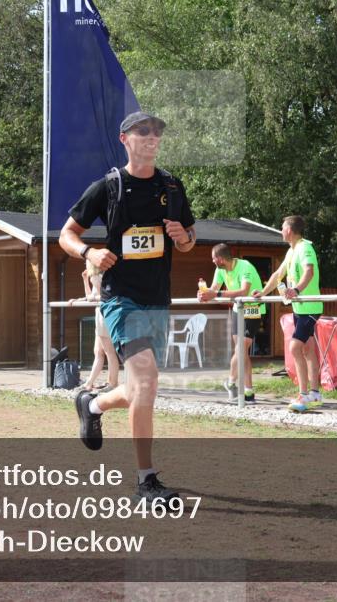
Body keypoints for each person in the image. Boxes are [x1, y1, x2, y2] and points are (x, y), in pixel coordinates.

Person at [60, 111, 196, 502]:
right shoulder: (109, 186)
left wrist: (182, 236)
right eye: (143, 131)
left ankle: (93, 404)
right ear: (125, 139)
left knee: (138, 387)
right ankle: (146, 479)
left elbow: (189, 238)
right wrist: (90, 252)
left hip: (158, 298)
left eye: (157, 133)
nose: (152, 137)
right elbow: (68, 234)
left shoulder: (171, 185)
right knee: (148, 380)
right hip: (122, 297)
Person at [252, 215, 324, 412]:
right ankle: (315, 392)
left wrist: (297, 290)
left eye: (282, 227)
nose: (281, 230)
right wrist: (262, 293)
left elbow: (309, 272)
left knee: (294, 348)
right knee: (307, 350)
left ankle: (303, 394)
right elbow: (278, 275)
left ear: (290, 230)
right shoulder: (291, 251)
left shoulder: (305, 247)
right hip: (299, 309)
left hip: (310, 307)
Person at [198, 243, 265, 403]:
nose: (212, 261)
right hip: (238, 309)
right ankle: (248, 391)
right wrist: (204, 293)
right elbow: (213, 288)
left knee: (242, 347)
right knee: (241, 350)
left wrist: (216, 294)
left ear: (220, 259)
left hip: (253, 308)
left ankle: (230, 382)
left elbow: (244, 291)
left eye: (213, 258)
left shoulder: (244, 266)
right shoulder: (220, 269)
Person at [72, 259, 120, 392]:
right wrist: (85, 280)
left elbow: (104, 296)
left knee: (109, 351)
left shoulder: (103, 276)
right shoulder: (94, 277)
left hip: (105, 314)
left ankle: (113, 383)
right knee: (98, 351)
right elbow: (91, 296)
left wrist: (91, 298)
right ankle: (89, 383)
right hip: (100, 314)